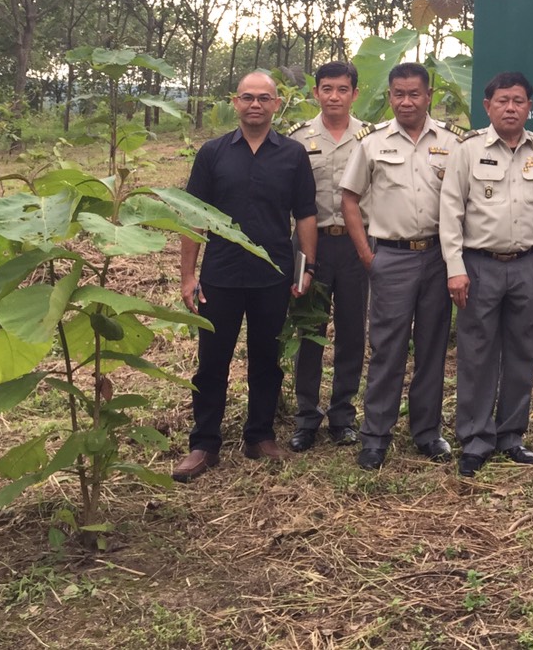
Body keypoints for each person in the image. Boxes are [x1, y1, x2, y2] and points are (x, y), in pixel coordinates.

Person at [174, 71, 318, 481]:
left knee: (266, 361)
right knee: (211, 362)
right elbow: (193, 216)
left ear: (276, 104)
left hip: (272, 275)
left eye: (264, 98)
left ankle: (260, 436)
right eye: (248, 97)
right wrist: (188, 276)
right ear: (235, 102)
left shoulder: (293, 155)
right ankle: (204, 443)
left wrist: (306, 267)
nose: (255, 105)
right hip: (220, 276)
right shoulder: (213, 153)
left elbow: (305, 214)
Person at [439, 71, 533, 478]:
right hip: (480, 265)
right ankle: (475, 438)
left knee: (523, 350)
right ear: (488, 106)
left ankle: (511, 435)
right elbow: (451, 211)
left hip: (529, 264)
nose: (510, 108)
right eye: (502, 100)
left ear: (529, 106)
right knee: (476, 353)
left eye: (518, 100)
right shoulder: (467, 150)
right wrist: (455, 268)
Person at [340, 62, 465, 469]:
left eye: (414, 94)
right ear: (390, 96)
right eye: (398, 94)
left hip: (437, 256)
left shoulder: (452, 142)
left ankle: (427, 432)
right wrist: (367, 255)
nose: (406, 101)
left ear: (429, 96)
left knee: (432, 346)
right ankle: (375, 436)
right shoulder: (373, 142)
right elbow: (349, 198)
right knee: (387, 348)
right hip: (391, 257)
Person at [287, 61, 371, 452]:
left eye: (342, 89)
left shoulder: (371, 138)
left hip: (356, 245)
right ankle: (306, 418)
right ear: (316, 92)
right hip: (310, 244)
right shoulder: (297, 139)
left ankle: (342, 416)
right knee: (309, 330)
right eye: (326, 89)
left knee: (352, 332)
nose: (334, 96)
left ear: (355, 94)